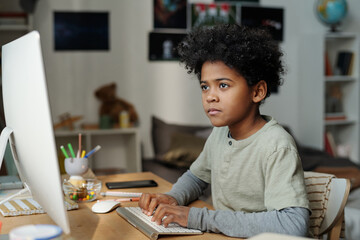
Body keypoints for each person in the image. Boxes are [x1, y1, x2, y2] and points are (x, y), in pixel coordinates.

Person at [139, 24, 310, 238]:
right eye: (205, 86)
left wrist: (196, 217)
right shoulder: (220, 134)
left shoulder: (276, 145)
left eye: (223, 85)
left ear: (257, 91)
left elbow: (293, 224)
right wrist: (173, 197)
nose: (210, 96)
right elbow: (196, 176)